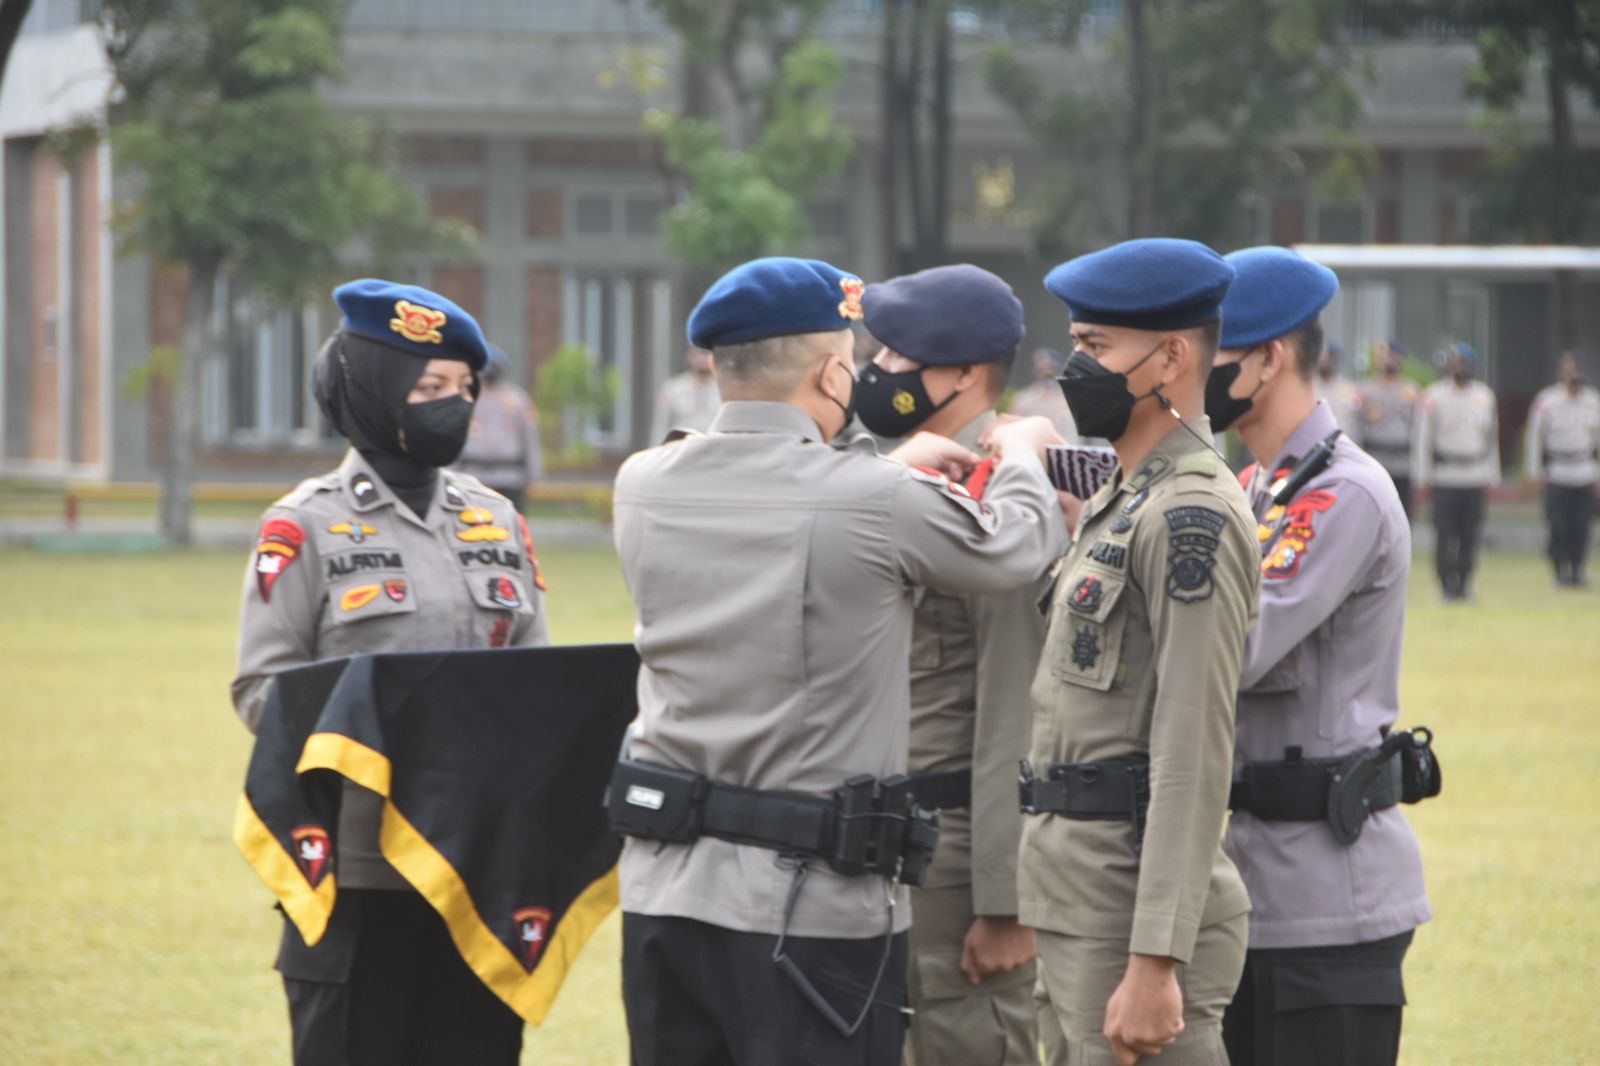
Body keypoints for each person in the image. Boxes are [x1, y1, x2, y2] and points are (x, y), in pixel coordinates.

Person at [609, 256, 1068, 1066]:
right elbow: (1017, 545)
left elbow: (795, 518)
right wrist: (1026, 448)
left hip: (666, 893)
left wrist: (889, 476)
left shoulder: (643, 481)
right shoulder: (873, 498)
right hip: (806, 907)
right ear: (832, 371)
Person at [232, 279, 549, 1066]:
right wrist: (384, 718)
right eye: (429, 387)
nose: (454, 404)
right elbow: (260, 690)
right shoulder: (304, 523)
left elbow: (538, 679)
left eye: (464, 389)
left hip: (476, 874)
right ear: (373, 391)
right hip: (356, 872)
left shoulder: (497, 518)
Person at [1017, 238, 1259, 1066]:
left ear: (1171, 357)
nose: (1073, 370)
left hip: (1130, 913)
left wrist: (1157, 957)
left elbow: (1193, 746)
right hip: (1076, 893)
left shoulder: (1191, 514)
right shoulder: (1126, 496)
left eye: (1096, 348)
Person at [1205, 247, 1430, 1066]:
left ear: (1265, 359)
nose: (1188, 369)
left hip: (1327, 895)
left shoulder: (1341, 495)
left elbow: (1234, 649)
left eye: (1207, 350)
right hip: (1253, 881)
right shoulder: (1264, 486)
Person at [853, 264, 1043, 1066]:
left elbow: (1016, 698)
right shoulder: (905, 471)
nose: (875, 372)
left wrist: (1007, 899)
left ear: (964, 374)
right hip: (882, 841)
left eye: (897, 357)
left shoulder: (992, 491)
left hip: (954, 854)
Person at [1414, 342, 1499, 600]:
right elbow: (1423, 438)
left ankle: (1464, 582)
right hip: (1445, 476)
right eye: (1455, 362)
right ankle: (1445, 584)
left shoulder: (1484, 397)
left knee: (1469, 534)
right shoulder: (1434, 396)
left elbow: (1491, 440)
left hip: (1473, 475)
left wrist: (1491, 476)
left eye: (1464, 362)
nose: (1459, 367)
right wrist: (1423, 476)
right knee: (1444, 533)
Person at [1525, 351, 1600, 587]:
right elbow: (1535, 439)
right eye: (1568, 370)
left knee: (1582, 526)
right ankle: (1559, 571)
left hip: (1584, 471)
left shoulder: (1593, 401)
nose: (1573, 375)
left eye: (1577, 370)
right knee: (1558, 525)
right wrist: (1535, 472)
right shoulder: (1547, 401)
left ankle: (1577, 570)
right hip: (1557, 472)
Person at [453, 344, 544, 512]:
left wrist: (533, 475)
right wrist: (451, 472)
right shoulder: (468, 398)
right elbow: (455, 436)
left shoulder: (517, 399)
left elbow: (529, 438)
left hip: (510, 477)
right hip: (474, 476)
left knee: (509, 528)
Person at [1353, 340, 1419, 519]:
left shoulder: (1410, 390)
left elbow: (1419, 428)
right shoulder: (1366, 390)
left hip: (1402, 463)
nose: (1389, 361)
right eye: (1385, 356)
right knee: (1372, 516)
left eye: (1394, 356)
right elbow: (1357, 426)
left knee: (1402, 516)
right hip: (1375, 459)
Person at [649, 345, 721, 442]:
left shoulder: (723, 388)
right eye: (698, 354)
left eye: (706, 354)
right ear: (689, 357)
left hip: (713, 447)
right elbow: (661, 426)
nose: (702, 359)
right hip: (681, 448)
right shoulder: (673, 388)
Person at [1011, 347, 1083, 442]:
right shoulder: (1023, 399)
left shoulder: (1070, 399)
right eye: (1042, 369)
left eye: (1052, 368)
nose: (1047, 373)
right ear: (1035, 370)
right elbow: (1014, 429)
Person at [1313, 342, 1362, 435]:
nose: (1326, 362)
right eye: (1323, 357)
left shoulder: (1348, 388)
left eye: (1331, 357)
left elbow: (1354, 421)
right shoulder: (1310, 387)